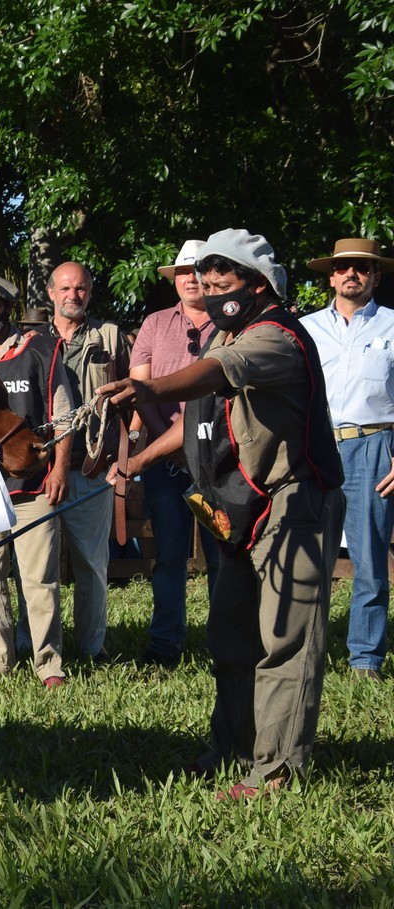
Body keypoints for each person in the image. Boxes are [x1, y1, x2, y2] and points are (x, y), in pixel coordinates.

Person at [100, 228, 344, 799]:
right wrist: (134, 463)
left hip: (296, 500)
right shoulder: (226, 338)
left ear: (257, 285)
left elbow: (213, 375)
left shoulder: (276, 336)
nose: (209, 293)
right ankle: (231, 746)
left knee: (286, 640)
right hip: (239, 502)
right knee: (231, 636)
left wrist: (149, 387)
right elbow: (194, 421)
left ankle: (277, 772)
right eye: (203, 283)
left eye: (221, 283)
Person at [0, 273, 75, 688]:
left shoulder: (42, 349)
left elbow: (64, 416)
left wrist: (59, 468)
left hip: (34, 486)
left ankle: (49, 663)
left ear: (7, 306)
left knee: (39, 578)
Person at [300, 238, 394, 682]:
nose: (351, 274)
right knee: (306, 559)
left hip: (374, 445)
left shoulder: (393, 326)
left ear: (375, 276)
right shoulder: (305, 329)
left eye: (362, 267)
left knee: (370, 561)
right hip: (315, 447)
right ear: (331, 276)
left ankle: (365, 661)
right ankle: (304, 652)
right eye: (343, 268)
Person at [124, 240, 220, 668]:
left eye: (198, 271)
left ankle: (226, 643)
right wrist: (168, 441)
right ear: (175, 280)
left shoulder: (231, 324)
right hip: (167, 459)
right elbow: (139, 388)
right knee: (169, 555)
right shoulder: (155, 323)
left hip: (220, 455)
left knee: (224, 555)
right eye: (183, 272)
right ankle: (164, 645)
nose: (191, 279)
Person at [45, 262, 128, 662]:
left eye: (80, 289)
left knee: (92, 565)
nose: (72, 296)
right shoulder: (33, 340)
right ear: (50, 293)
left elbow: (134, 394)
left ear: (89, 293)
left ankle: (92, 648)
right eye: (65, 289)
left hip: (93, 466)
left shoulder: (110, 336)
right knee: (37, 567)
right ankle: (36, 646)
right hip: (43, 470)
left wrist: (128, 455)